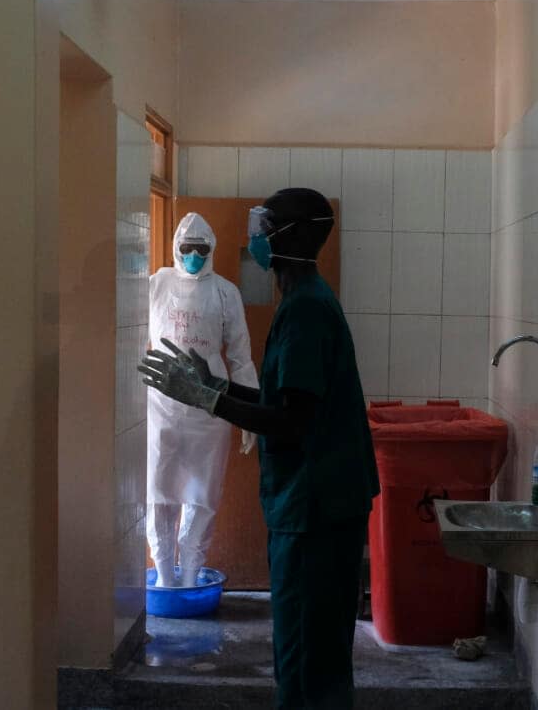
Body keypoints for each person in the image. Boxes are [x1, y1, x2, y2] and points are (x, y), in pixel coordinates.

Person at [140, 188, 379, 709]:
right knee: (307, 649)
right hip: (315, 503)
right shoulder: (300, 300)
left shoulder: (307, 311)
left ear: (286, 236)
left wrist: (208, 398)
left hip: (316, 507)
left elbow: (292, 419)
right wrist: (215, 385)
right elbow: (282, 396)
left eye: (262, 225)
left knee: (306, 656)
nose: (253, 236)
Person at [146, 212, 257, 588]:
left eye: (201, 248)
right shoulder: (156, 285)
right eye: (187, 248)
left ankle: (191, 576)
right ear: (176, 248)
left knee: (201, 495)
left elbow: (241, 355)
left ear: (211, 250)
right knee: (159, 493)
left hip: (210, 409)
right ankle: (164, 577)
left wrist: (249, 416)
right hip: (161, 407)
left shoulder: (226, 292)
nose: (193, 254)